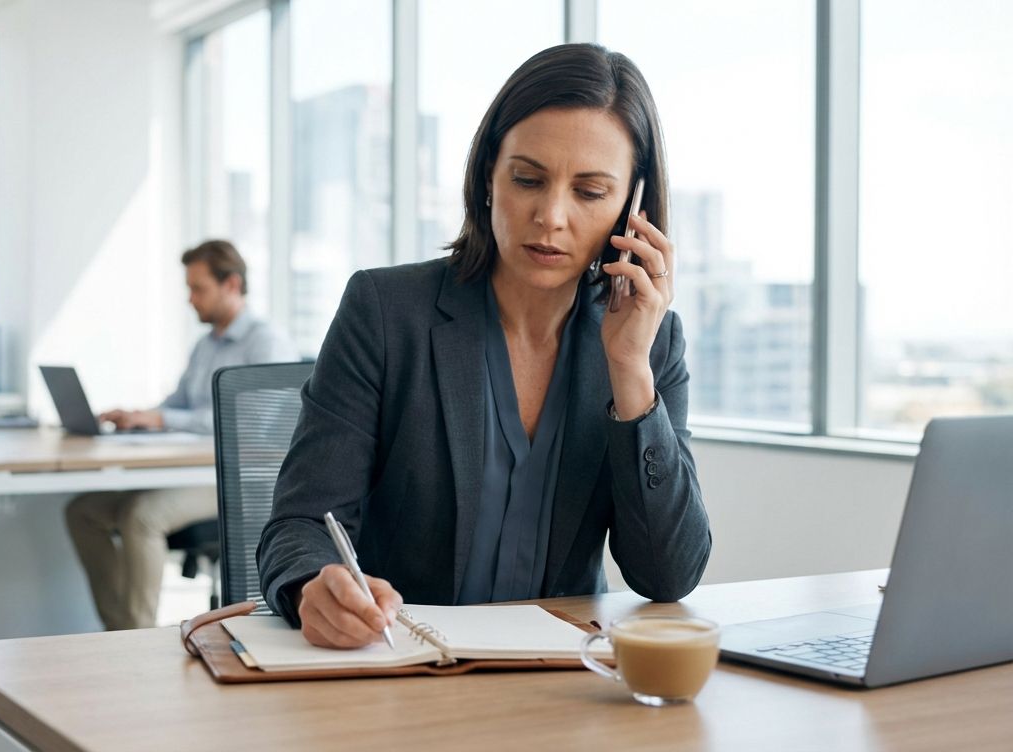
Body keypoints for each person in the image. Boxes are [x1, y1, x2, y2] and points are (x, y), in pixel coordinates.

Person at [256, 43, 712, 650]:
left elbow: (668, 574)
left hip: (558, 680)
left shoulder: (651, 342)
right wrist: (315, 585)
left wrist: (629, 369)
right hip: (399, 667)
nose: (550, 216)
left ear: (633, 207)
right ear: (488, 178)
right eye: (528, 179)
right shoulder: (386, 312)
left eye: (590, 192)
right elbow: (301, 522)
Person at [66, 240, 298, 630]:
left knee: (141, 518)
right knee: (83, 511)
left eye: (199, 288)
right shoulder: (205, 345)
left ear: (232, 284)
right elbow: (179, 403)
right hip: (191, 472)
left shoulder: (266, 342)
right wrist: (143, 416)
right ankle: (120, 626)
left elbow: (244, 421)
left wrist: (164, 420)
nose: (191, 300)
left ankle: (137, 637)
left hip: (240, 480)